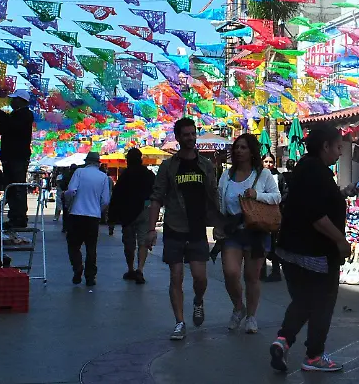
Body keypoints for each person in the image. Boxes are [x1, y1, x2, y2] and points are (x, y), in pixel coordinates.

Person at [270, 125, 350, 374]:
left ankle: (283, 341)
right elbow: (317, 216)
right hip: (315, 252)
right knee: (323, 303)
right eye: (338, 147)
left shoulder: (307, 169)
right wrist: (340, 240)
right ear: (325, 146)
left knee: (304, 300)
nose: (339, 153)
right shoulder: (316, 172)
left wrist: (342, 194)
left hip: (292, 250)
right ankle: (314, 355)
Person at [146, 118, 220, 341]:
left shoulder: (206, 165)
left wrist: (217, 224)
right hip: (174, 227)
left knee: (200, 278)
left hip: (197, 229)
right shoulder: (168, 166)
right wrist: (151, 229)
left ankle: (198, 301)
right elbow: (157, 197)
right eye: (186, 134)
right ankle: (179, 322)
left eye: (193, 133)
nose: (190, 138)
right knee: (176, 276)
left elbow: (213, 196)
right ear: (178, 138)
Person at [217, 133, 281, 334]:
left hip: (256, 232)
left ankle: (251, 316)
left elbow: (277, 197)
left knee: (251, 277)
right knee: (230, 273)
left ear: (252, 151)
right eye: (237, 147)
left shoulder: (263, 175)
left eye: (243, 147)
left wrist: (257, 195)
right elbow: (220, 201)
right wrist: (218, 225)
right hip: (233, 232)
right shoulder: (227, 175)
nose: (239, 151)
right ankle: (238, 307)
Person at [64, 152, 111, 286]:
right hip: (93, 217)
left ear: (87, 161)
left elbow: (71, 190)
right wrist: (98, 209)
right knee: (91, 247)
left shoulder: (79, 172)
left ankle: (77, 267)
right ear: (98, 163)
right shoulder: (103, 177)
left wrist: (68, 202)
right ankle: (90, 277)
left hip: (76, 214)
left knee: (73, 245)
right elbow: (106, 200)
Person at [0, 92, 35, 229]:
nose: (11, 101)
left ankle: (20, 216)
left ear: (21, 101)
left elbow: (10, 124)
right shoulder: (14, 116)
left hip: (18, 157)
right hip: (9, 156)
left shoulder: (25, 115)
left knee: (17, 186)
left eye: (14, 99)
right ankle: (14, 216)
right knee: (11, 187)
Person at [111, 148, 156, 284]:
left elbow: (116, 195)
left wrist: (112, 217)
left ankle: (130, 269)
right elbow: (156, 192)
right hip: (144, 211)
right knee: (143, 242)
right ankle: (140, 269)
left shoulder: (125, 175)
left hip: (128, 213)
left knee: (129, 244)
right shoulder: (149, 174)